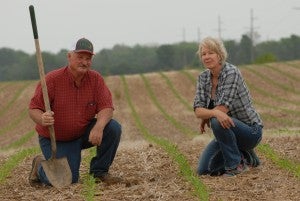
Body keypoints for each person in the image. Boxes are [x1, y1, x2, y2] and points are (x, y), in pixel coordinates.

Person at [28, 38, 122, 185]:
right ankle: (39, 165)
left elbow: (106, 107)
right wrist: (42, 118)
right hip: (56, 139)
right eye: (80, 57)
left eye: (88, 58)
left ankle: (99, 172)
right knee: (67, 180)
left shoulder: (95, 79)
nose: (84, 62)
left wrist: (98, 127)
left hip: (82, 133)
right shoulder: (52, 79)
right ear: (69, 56)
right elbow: (34, 108)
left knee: (113, 128)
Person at [193, 37, 263, 177]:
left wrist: (210, 114)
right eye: (203, 54)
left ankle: (235, 165)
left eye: (210, 53)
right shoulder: (203, 78)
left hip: (250, 131)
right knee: (204, 170)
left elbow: (222, 110)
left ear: (219, 55)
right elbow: (197, 110)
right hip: (226, 131)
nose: (206, 57)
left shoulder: (231, 72)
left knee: (216, 120)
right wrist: (209, 114)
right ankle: (247, 157)